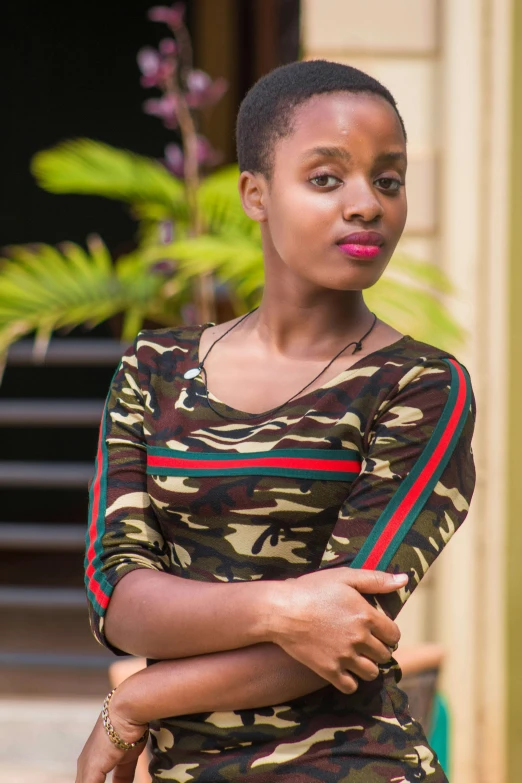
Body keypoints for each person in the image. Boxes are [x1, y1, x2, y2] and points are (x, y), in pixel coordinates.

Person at [77, 60, 476, 783]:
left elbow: (349, 628)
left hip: (354, 763)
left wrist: (137, 698)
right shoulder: (155, 368)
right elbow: (117, 595)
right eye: (327, 178)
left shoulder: (420, 385)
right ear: (254, 194)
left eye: (388, 180)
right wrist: (286, 607)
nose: (366, 205)